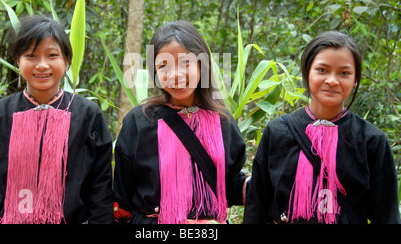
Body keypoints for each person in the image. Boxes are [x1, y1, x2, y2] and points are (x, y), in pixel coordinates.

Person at [0, 15, 113, 224]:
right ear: (18, 60)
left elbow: (100, 191)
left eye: (52, 55)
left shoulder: (88, 116)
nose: (42, 65)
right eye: (31, 56)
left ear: (66, 61)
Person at [243, 31, 400, 224]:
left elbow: (387, 216)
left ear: (355, 79)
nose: (332, 80)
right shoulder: (277, 132)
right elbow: (257, 206)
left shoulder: (371, 141)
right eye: (322, 70)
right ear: (307, 72)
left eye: (344, 73)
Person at [113, 20, 250, 224]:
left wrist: (259, 184)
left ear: (201, 65)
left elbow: (227, 184)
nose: (175, 75)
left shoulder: (223, 122)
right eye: (164, 66)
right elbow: (121, 198)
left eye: (185, 63)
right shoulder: (139, 121)